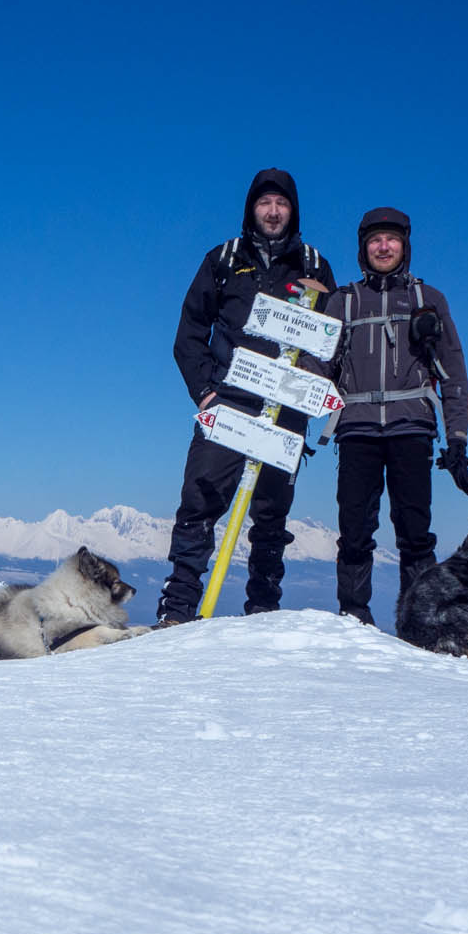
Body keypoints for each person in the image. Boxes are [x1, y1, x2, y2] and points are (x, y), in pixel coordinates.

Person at [155, 168, 336, 625]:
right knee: (200, 501)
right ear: (251, 209)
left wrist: (307, 387)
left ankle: (263, 612)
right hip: (230, 401)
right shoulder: (223, 260)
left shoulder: (314, 266)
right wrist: (205, 392)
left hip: (286, 408)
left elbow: (333, 341)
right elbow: (190, 333)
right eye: (264, 203)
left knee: (272, 513)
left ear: (294, 211)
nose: (273, 212)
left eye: (282, 204)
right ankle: (177, 610)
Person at [317, 207, 468, 625]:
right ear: (362, 249)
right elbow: (317, 369)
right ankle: (354, 617)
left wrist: (456, 436)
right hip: (356, 429)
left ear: (405, 246)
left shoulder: (428, 300)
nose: (383, 247)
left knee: (415, 530)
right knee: (354, 529)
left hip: (411, 427)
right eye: (374, 240)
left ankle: (418, 622)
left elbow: (453, 369)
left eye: (391, 240)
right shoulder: (343, 302)